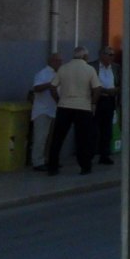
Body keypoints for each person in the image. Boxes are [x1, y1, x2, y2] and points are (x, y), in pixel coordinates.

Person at [46, 47, 100, 176]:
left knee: (58, 138)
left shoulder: (63, 68)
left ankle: (52, 166)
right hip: (83, 107)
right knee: (83, 139)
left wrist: (58, 100)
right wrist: (92, 103)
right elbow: (97, 89)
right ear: (85, 57)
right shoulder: (89, 69)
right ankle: (85, 166)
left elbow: (52, 87)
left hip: (64, 106)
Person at [28, 52, 61, 171]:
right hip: (43, 110)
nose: (60, 63)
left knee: (52, 138)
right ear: (51, 61)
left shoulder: (60, 74)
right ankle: (37, 161)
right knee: (40, 137)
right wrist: (50, 85)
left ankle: (49, 159)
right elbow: (36, 88)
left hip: (55, 109)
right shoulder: (42, 73)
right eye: (58, 61)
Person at [91, 46, 119, 165]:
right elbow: (90, 84)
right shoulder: (93, 66)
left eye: (113, 54)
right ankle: (90, 153)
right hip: (97, 100)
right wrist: (106, 91)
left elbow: (120, 82)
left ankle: (105, 155)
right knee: (93, 128)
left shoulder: (116, 68)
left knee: (107, 129)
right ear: (102, 55)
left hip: (110, 100)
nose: (112, 57)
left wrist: (116, 90)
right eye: (109, 54)